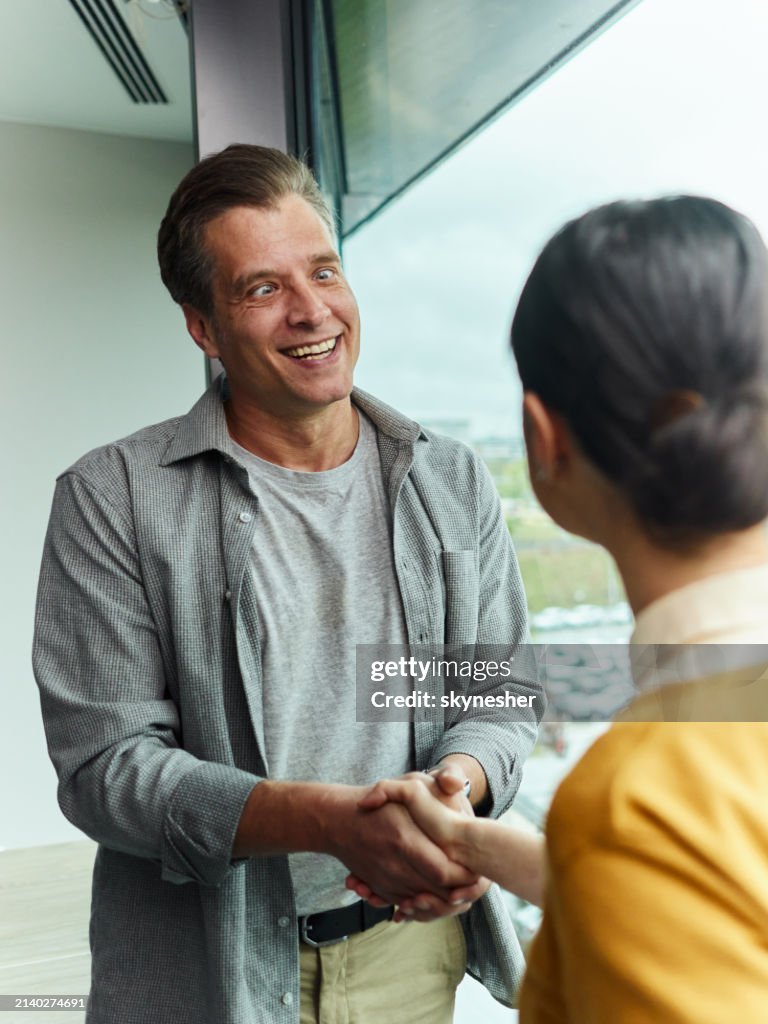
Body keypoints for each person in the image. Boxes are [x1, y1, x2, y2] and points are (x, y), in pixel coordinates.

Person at [32, 144, 540, 1024]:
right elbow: (106, 769)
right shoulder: (109, 498)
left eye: (324, 272)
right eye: (262, 289)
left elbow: (498, 695)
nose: (313, 313)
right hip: (203, 973)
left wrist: (450, 790)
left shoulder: (450, 479)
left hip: (408, 961)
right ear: (202, 326)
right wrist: (327, 821)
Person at [352, 195, 768, 1022]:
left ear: (544, 441)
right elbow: (710, 893)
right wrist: (474, 842)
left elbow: (667, 863)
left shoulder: (643, 794)